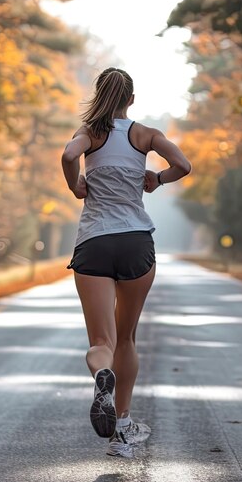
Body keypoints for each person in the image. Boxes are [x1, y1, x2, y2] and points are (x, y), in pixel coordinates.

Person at [61, 67, 191, 458]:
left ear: (99, 94)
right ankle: (121, 429)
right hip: (136, 242)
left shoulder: (89, 132)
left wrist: (75, 185)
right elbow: (183, 165)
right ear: (130, 100)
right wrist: (158, 180)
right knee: (127, 337)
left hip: (94, 243)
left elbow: (69, 155)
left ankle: (102, 376)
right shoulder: (145, 134)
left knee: (102, 342)